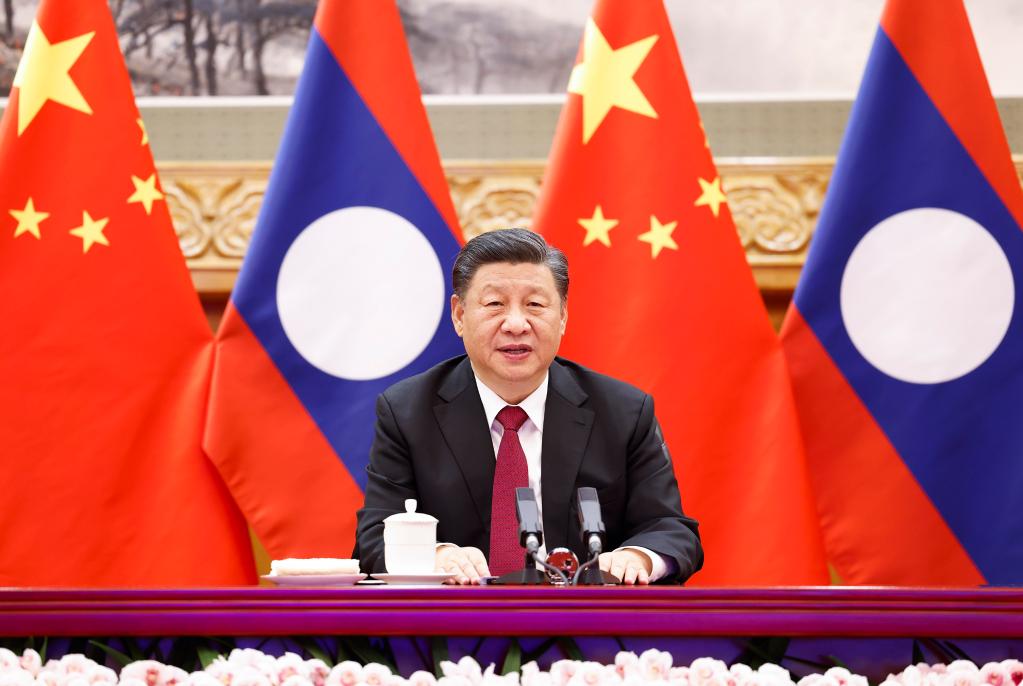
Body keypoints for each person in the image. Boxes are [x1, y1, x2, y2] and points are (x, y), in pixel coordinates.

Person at [355, 228, 703, 585]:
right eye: (495, 305)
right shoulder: (408, 411)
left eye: (535, 305)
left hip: (584, 628)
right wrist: (436, 554)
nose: (517, 324)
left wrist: (638, 557)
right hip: (455, 627)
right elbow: (372, 539)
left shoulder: (623, 412)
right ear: (459, 315)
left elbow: (671, 530)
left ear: (563, 316)